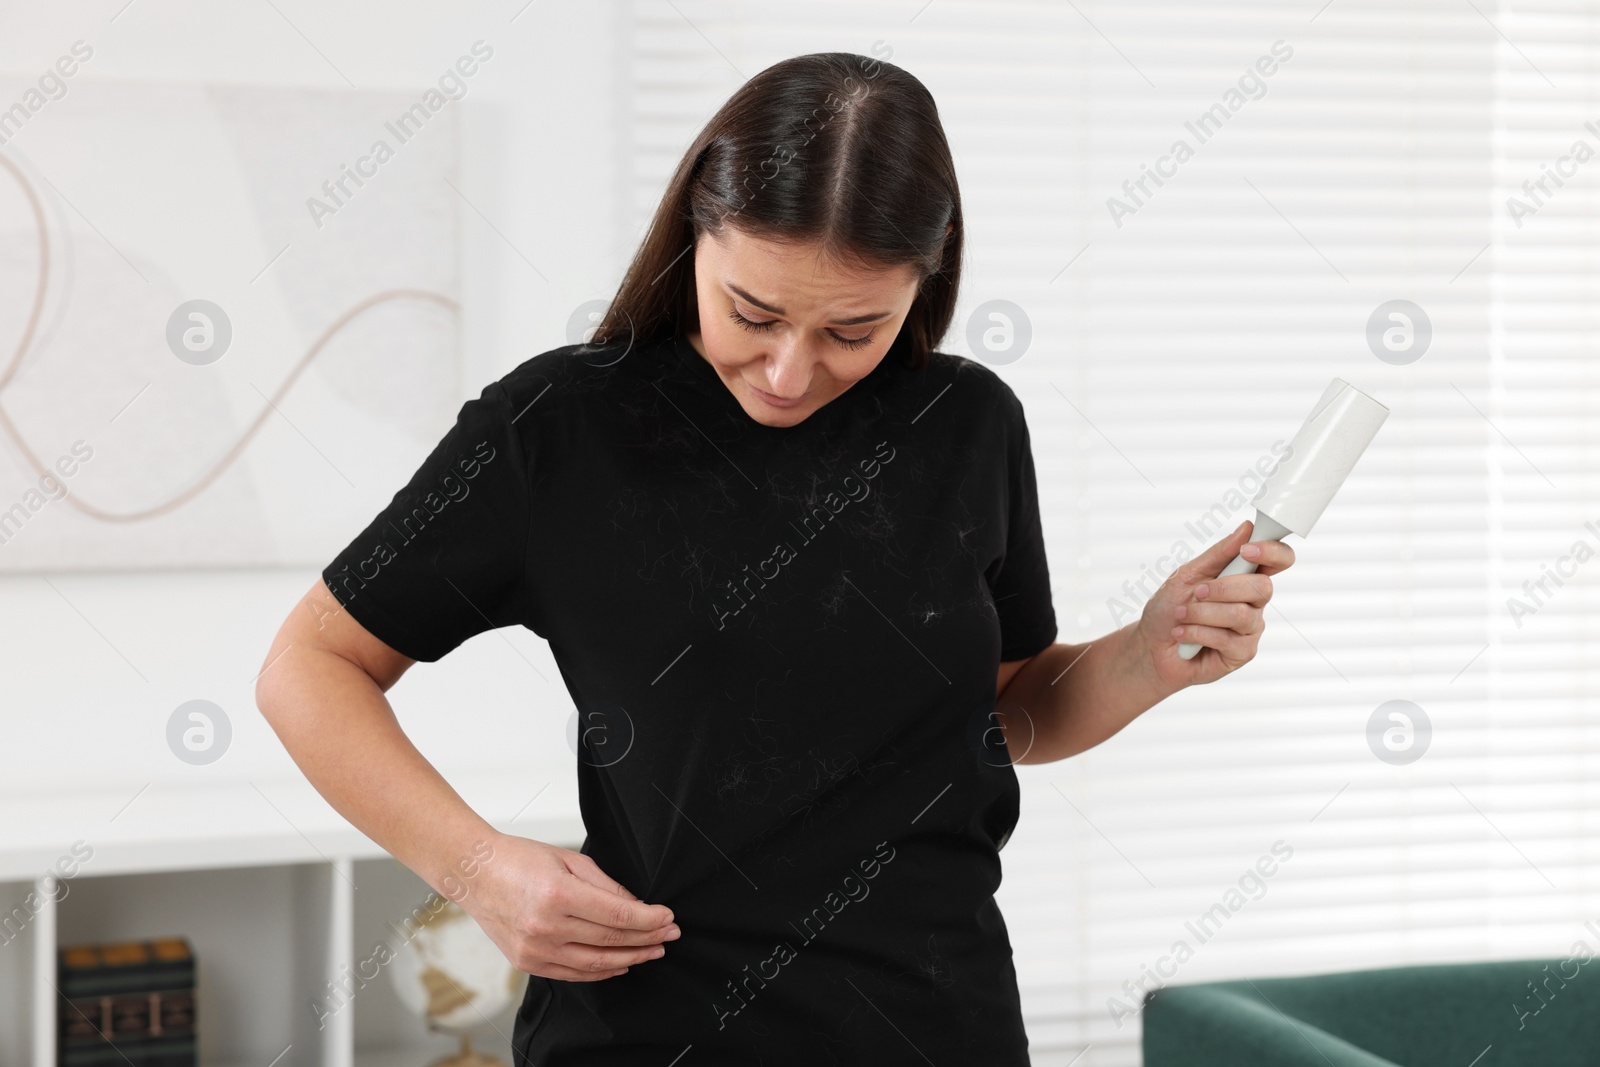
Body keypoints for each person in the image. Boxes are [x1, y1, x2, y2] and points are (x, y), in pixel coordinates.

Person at [255, 50, 1294, 1065]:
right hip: (652, 1027)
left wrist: (1148, 652)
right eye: (752, 313)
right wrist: (477, 867)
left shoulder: (965, 423)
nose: (790, 372)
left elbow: (1010, 707)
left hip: (939, 1025)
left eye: (854, 329)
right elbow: (309, 666)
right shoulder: (561, 428)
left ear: (923, 284)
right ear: (694, 236)